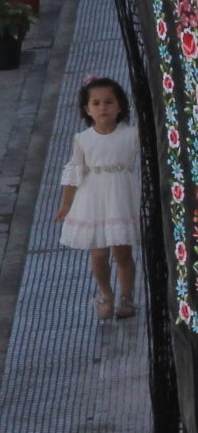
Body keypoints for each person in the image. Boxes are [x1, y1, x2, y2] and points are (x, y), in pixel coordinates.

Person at [56, 76, 139, 322]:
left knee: (122, 251)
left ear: (120, 106)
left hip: (121, 197)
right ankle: (105, 293)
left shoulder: (131, 135)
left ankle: (127, 296)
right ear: (87, 109)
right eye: (96, 103)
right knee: (98, 253)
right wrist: (67, 204)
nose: (103, 107)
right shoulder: (83, 139)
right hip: (93, 199)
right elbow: (75, 171)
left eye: (109, 102)